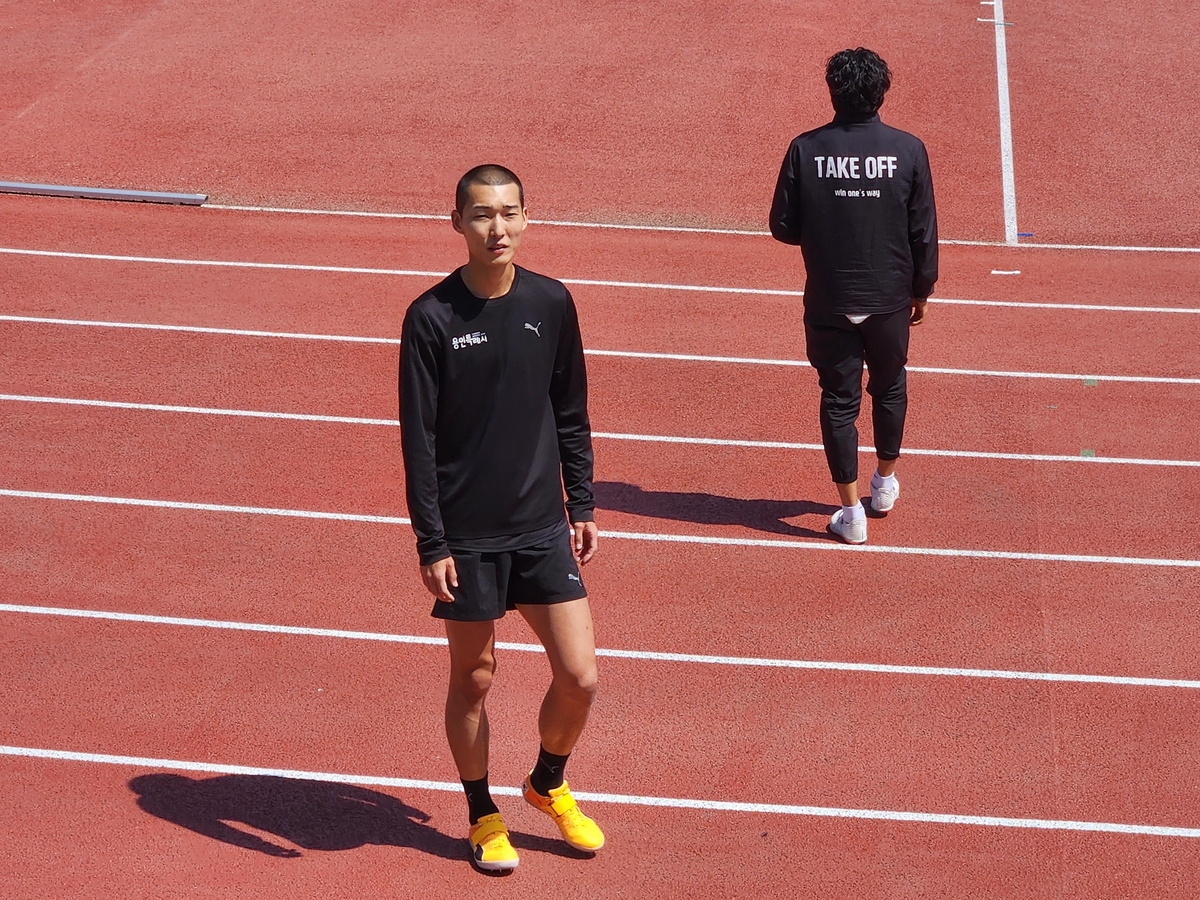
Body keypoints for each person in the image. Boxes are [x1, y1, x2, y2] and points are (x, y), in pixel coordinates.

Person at [399, 164, 604, 871]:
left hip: (543, 526)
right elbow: (418, 441)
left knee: (579, 675)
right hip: (468, 536)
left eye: (510, 213)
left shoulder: (551, 303)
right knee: (475, 677)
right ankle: (483, 813)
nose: (498, 228)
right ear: (456, 222)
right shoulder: (430, 318)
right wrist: (432, 541)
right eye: (482, 214)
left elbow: (571, 410)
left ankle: (548, 782)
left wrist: (582, 499)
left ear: (527, 219)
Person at [769, 47, 938, 544]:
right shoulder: (909, 150)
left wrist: (824, 230)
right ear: (882, 91)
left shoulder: (805, 148)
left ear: (833, 92)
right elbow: (922, 231)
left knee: (838, 401)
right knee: (889, 387)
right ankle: (883, 484)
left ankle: (851, 514)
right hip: (889, 299)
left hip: (829, 298)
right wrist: (922, 290)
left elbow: (782, 225)